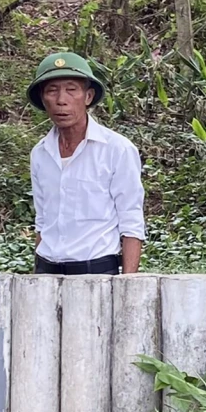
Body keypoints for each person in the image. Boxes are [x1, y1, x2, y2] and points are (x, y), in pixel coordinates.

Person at [26, 51, 146, 275]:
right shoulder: (40, 153)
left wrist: (128, 285)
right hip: (47, 271)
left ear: (88, 96)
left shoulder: (116, 149)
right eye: (52, 91)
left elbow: (131, 221)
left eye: (72, 89)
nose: (62, 100)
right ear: (43, 99)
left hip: (97, 271)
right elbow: (42, 221)